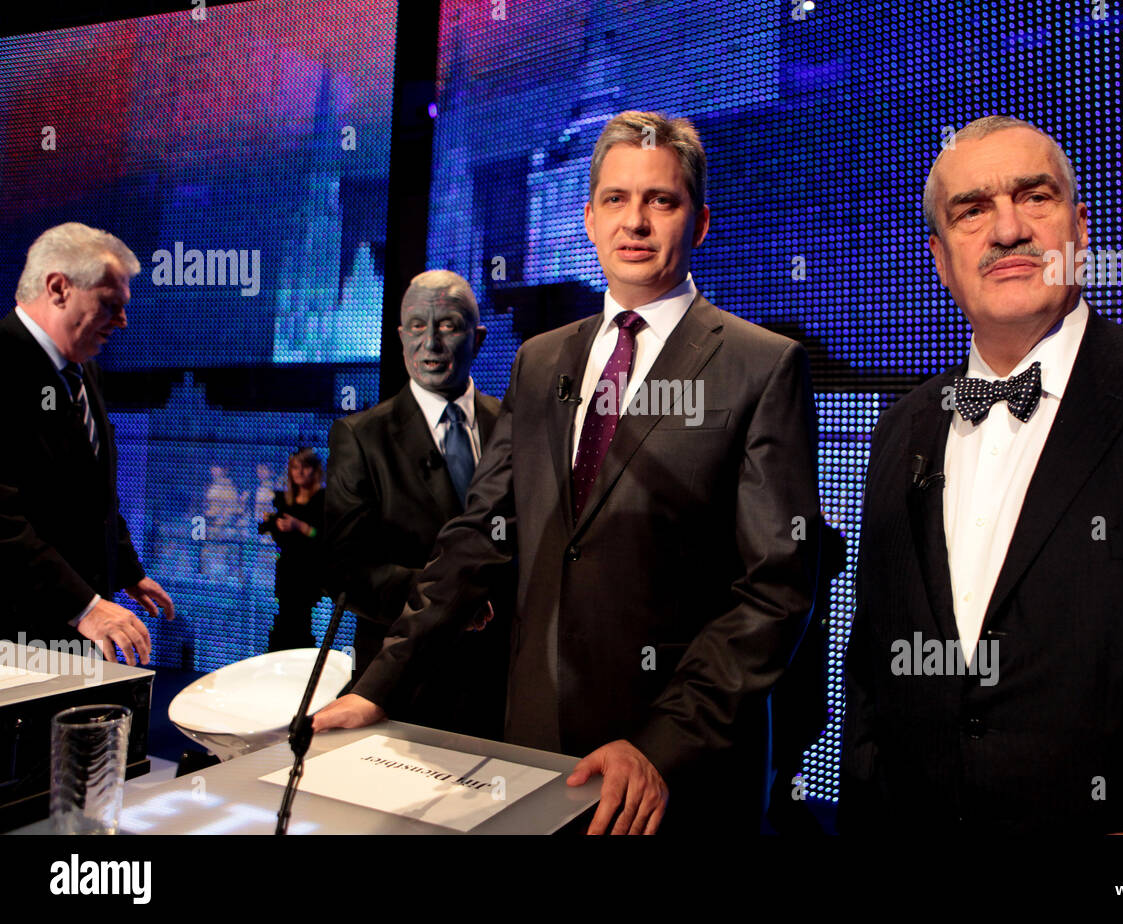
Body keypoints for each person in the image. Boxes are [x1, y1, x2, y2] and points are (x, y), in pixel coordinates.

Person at [314, 110, 822, 835]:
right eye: (616, 199)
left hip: (674, 773)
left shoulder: (761, 366)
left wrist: (660, 746)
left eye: (662, 201)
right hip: (534, 745)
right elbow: (478, 537)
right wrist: (381, 687)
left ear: (700, 222)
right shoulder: (541, 360)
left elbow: (776, 587)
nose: (636, 221)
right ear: (588, 218)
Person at [838, 116, 1123, 835]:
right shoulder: (901, 429)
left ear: (1079, 228)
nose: (1008, 229)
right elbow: (874, 662)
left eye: (1035, 198)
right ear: (940, 256)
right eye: (973, 210)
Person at [324, 270, 508, 737]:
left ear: (478, 337)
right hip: (404, 681)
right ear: (401, 336)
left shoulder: (513, 422)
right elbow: (346, 572)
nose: (432, 344)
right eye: (418, 327)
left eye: (447, 325)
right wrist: (452, 602)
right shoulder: (361, 437)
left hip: (506, 679)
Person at [0, 222, 175, 663]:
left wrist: (127, 570)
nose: (122, 320)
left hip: (79, 634)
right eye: (110, 305)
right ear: (59, 288)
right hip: (18, 642)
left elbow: (94, 489)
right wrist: (86, 606)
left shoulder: (80, 367)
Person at [262, 447, 324, 651]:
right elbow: (264, 528)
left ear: (314, 470)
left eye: (305, 467)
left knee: (302, 623)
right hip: (286, 571)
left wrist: (300, 527)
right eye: (295, 467)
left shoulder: (323, 500)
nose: (299, 472)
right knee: (284, 620)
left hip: (309, 573)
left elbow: (323, 536)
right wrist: (273, 522)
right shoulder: (283, 500)